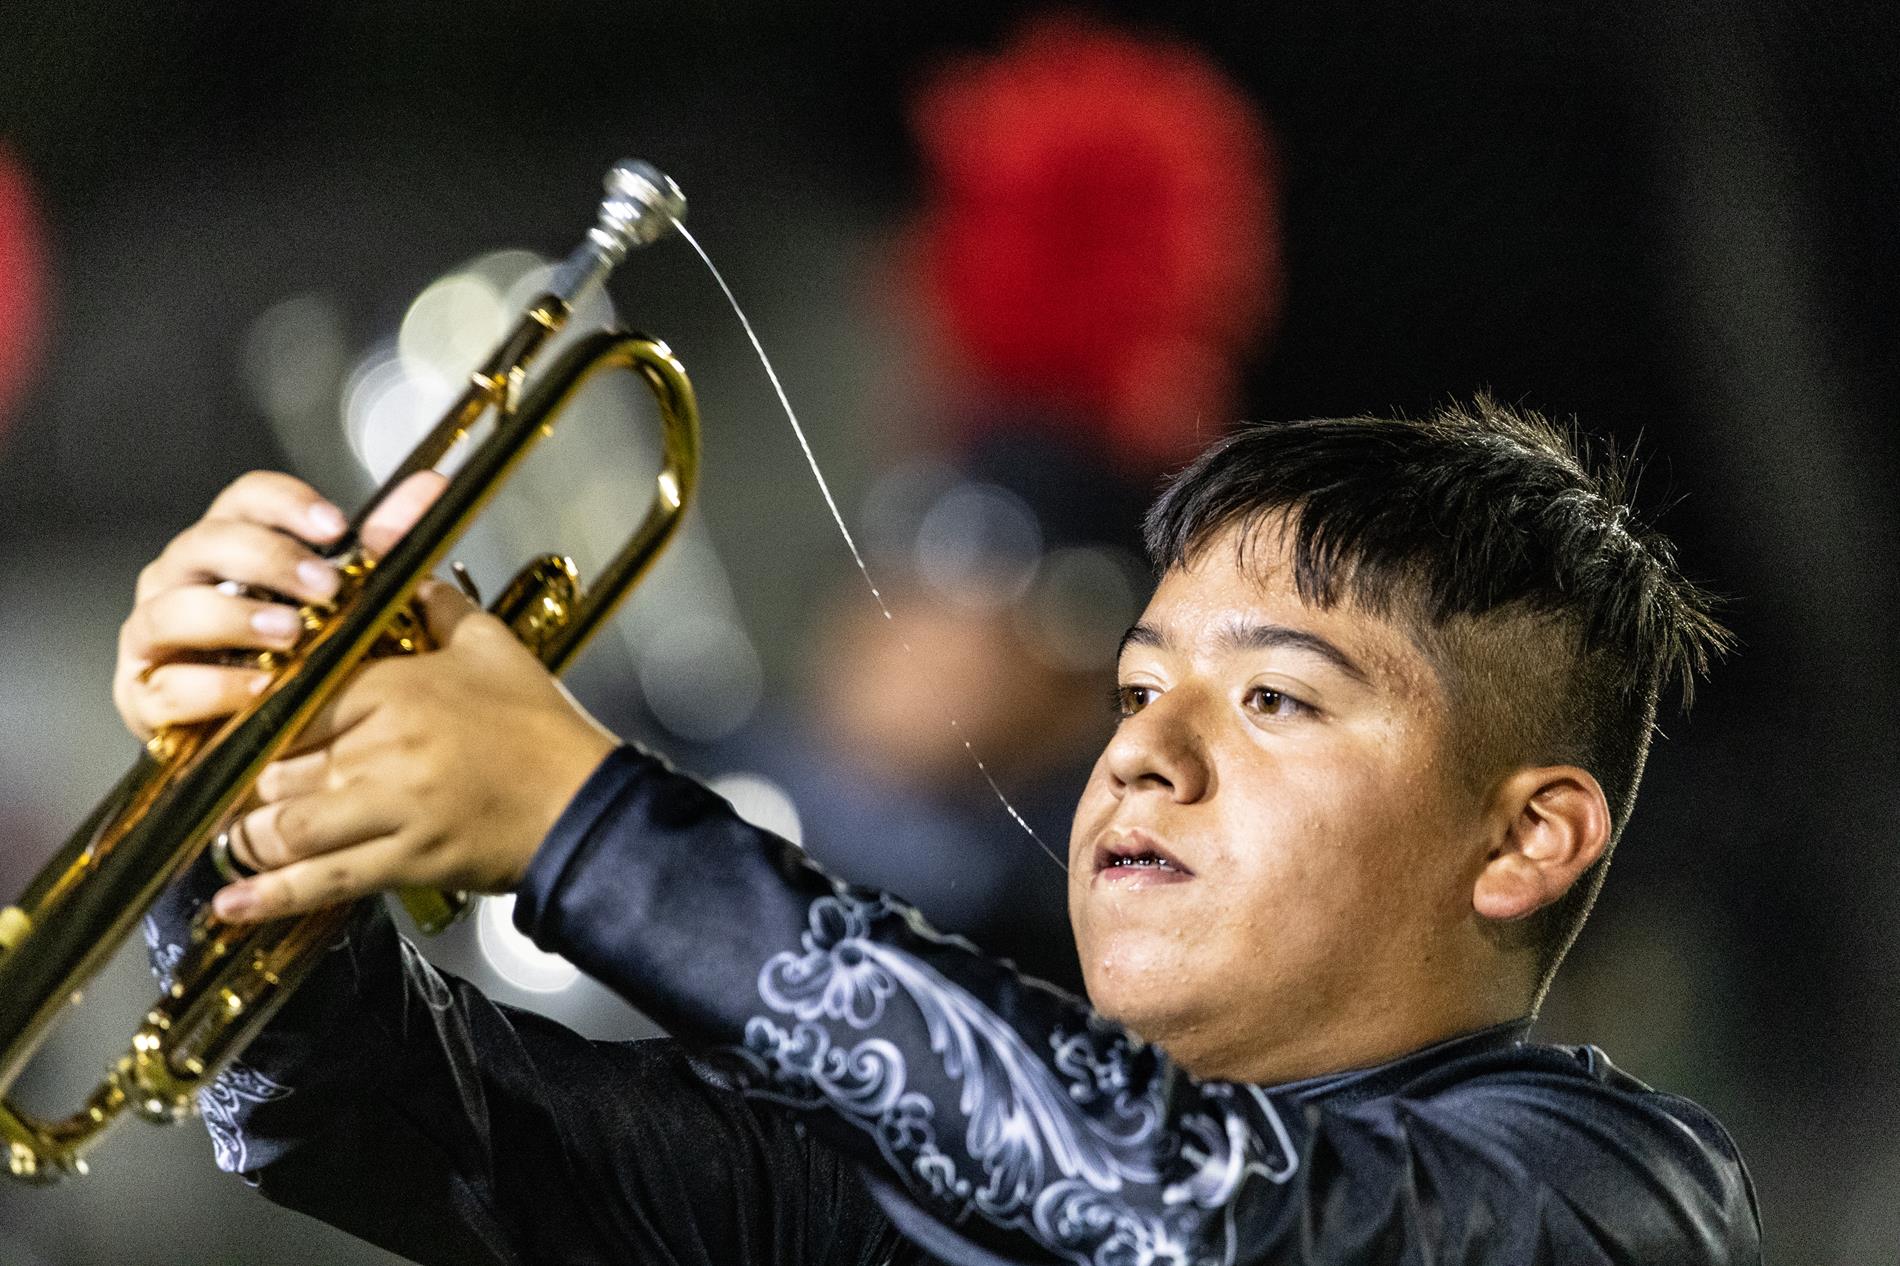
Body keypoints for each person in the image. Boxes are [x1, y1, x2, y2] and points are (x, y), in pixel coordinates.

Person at [123, 398, 1760, 1264]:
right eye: (1134, 690)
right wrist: (243, 789)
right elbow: (405, 1131)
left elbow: (1199, 1218)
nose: (1142, 758)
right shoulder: (925, 1189)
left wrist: (581, 820)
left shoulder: (1612, 1198)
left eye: (1275, 700)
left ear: (1528, 837)